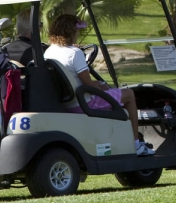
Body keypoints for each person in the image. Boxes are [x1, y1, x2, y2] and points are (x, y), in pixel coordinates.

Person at [44, 13, 154, 156]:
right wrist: (101, 86)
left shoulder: (48, 51)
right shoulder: (75, 53)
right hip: (84, 103)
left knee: (107, 89)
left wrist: (98, 85)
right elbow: (88, 84)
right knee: (129, 95)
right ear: (71, 31)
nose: (78, 33)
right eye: (77, 30)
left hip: (67, 102)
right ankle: (136, 144)